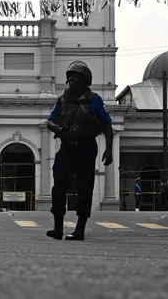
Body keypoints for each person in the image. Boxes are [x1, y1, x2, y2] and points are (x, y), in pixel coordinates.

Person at [45, 61, 113, 241]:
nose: (71, 79)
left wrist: (109, 150)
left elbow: (107, 124)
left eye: (76, 76)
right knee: (59, 188)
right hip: (66, 148)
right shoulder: (62, 100)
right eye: (69, 76)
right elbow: (50, 120)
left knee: (85, 189)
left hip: (86, 148)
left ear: (85, 80)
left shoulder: (94, 100)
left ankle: (80, 229)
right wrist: (56, 128)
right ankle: (57, 227)